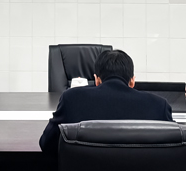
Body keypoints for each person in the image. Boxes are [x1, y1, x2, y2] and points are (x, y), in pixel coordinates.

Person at [39, 49, 173, 155]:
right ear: (132, 81)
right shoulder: (159, 105)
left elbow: (47, 144)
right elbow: (173, 151)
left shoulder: (71, 99)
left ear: (97, 80)